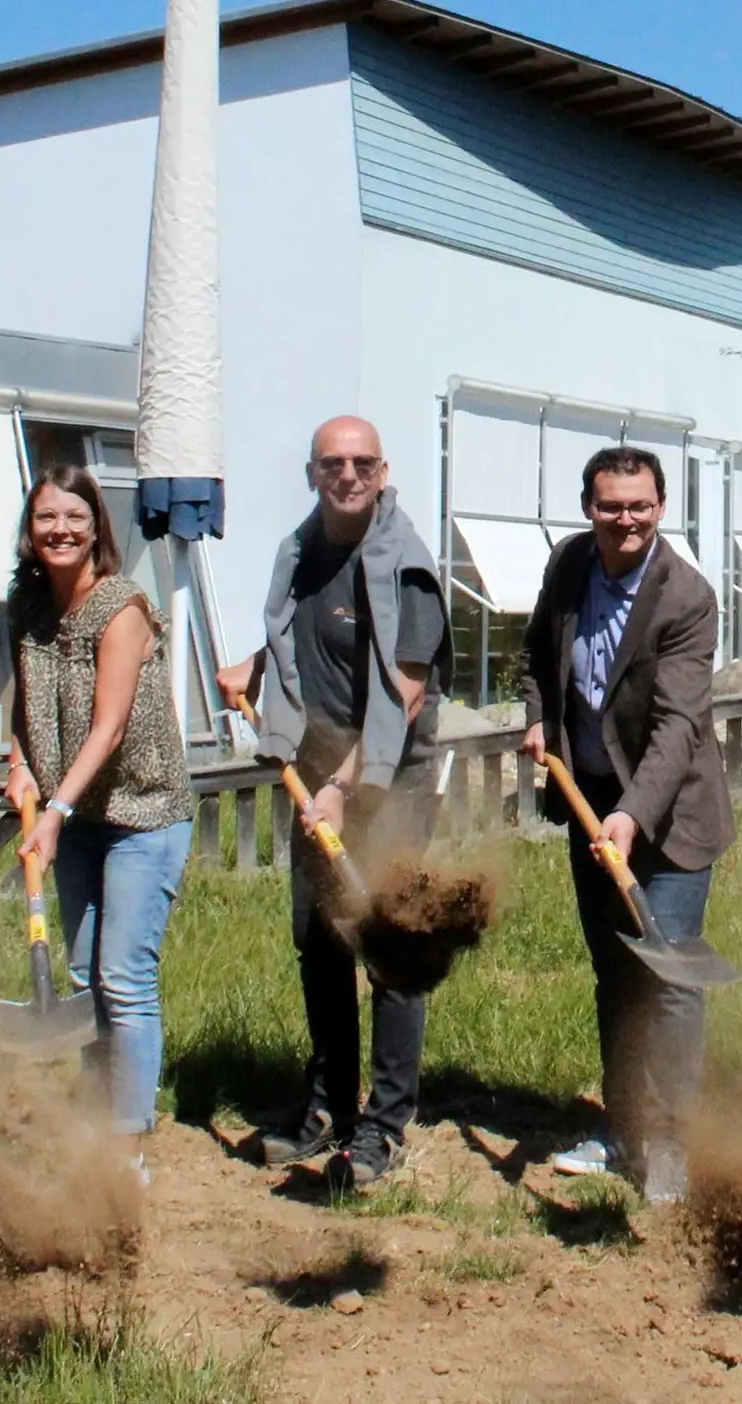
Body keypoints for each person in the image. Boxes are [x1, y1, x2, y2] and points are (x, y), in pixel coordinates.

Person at [219, 415, 450, 1192]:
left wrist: (345, 786)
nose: (347, 475)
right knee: (319, 941)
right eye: (331, 463)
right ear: (311, 472)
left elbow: (405, 692)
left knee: (389, 946)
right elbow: (302, 636)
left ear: (383, 473)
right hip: (317, 778)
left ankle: (386, 1126)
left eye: (361, 463)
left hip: (387, 780)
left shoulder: (405, 565)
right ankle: (328, 1109)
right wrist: (254, 663)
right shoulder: (300, 552)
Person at [517, 444, 730, 1204]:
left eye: (640, 505)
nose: (626, 519)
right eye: (611, 505)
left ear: (662, 507)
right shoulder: (570, 564)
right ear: (589, 508)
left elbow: (677, 728)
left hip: (667, 820)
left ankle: (672, 1146)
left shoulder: (687, 598)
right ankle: (624, 1128)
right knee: (615, 974)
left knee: (668, 977)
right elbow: (538, 653)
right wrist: (540, 719)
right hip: (589, 801)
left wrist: (631, 818)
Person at [9, 464, 193, 1181]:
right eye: (45, 518)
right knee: (85, 981)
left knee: (121, 975)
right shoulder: (25, 608)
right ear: (30, 532)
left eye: (73, 518)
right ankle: (92, 1121)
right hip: (78, 816)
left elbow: (109, 726)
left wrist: (52, 810)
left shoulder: (122, 606)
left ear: (96, 530)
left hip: (142, 813)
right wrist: (24, 760)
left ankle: (127, 1147)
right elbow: (23, 702)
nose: (59, 530)